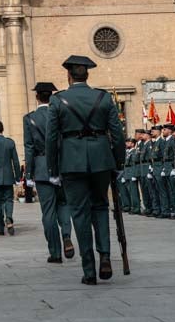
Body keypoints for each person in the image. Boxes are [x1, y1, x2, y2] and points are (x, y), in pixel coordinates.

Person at [46, 54, 125, 285]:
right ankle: (105, 256)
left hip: (71, 162)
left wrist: (53, 168)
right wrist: (119, 163)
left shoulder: (57, 100)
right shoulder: (103, 97)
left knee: (79, 212)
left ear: (68, 76)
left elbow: (51, 138)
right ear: (87, 74)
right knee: (100, 206)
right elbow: (117, 134)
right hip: (101, 160)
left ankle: (89, 270)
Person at [23, 82, 74, 262]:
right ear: (51, 97)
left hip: (42, 167)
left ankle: (55, 252)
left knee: (48, 211)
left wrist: (29, 174)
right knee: (64, 204)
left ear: (37, 97)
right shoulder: (59, 115)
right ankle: (66, 235)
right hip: (61, 165)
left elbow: (29, 148)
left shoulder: (29, 118)